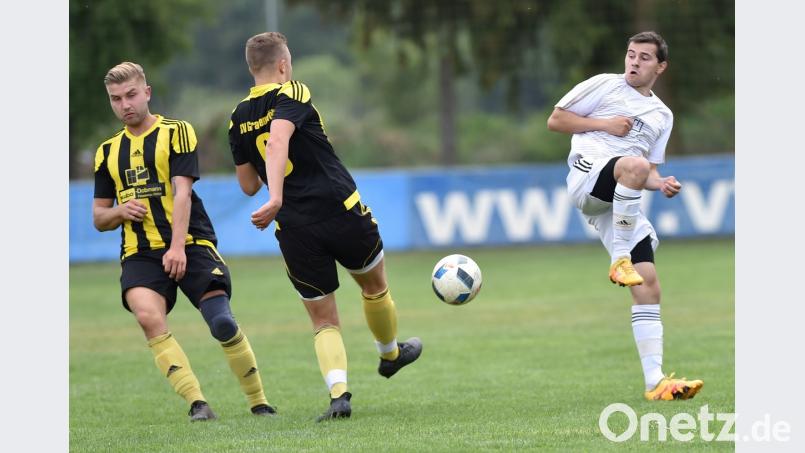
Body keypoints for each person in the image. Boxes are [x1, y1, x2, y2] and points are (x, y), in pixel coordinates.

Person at [228, 32, 423, 421]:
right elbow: (279, 139)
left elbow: (248, 184)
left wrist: (274, 196)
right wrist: (278, 196)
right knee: (374, 284)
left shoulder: (237, 118)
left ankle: (339, 395)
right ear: (283, 66)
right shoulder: (293, 91)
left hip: (295, 228)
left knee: (322, 318)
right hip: (339, 208)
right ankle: (390, 354)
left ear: (252, 68)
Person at [92, 62, 276, 421]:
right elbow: (99, 217)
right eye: (116, 99)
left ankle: (259, 401)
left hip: (190, 241)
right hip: (139, 252)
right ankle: (198, 403)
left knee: (221, 322)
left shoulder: (176, 132)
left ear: (147, 92)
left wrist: (177, 247)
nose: (125, 104)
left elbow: (183, 193)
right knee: (148, 317)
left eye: (131, 95)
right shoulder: (107, 152)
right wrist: (119, 212)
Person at [547, 31, 704, 401]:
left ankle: (656, 383)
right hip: (587, 178)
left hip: (619, 195)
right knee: (630, 166)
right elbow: (555, 120)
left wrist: (660, 182)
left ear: (661, 66)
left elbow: (644, 171)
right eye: (631, 54)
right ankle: (620, 259)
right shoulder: (604, 86)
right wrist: (605, 125)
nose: (634, 62)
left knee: (648, 284)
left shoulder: (662, 115)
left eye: (644, 57)